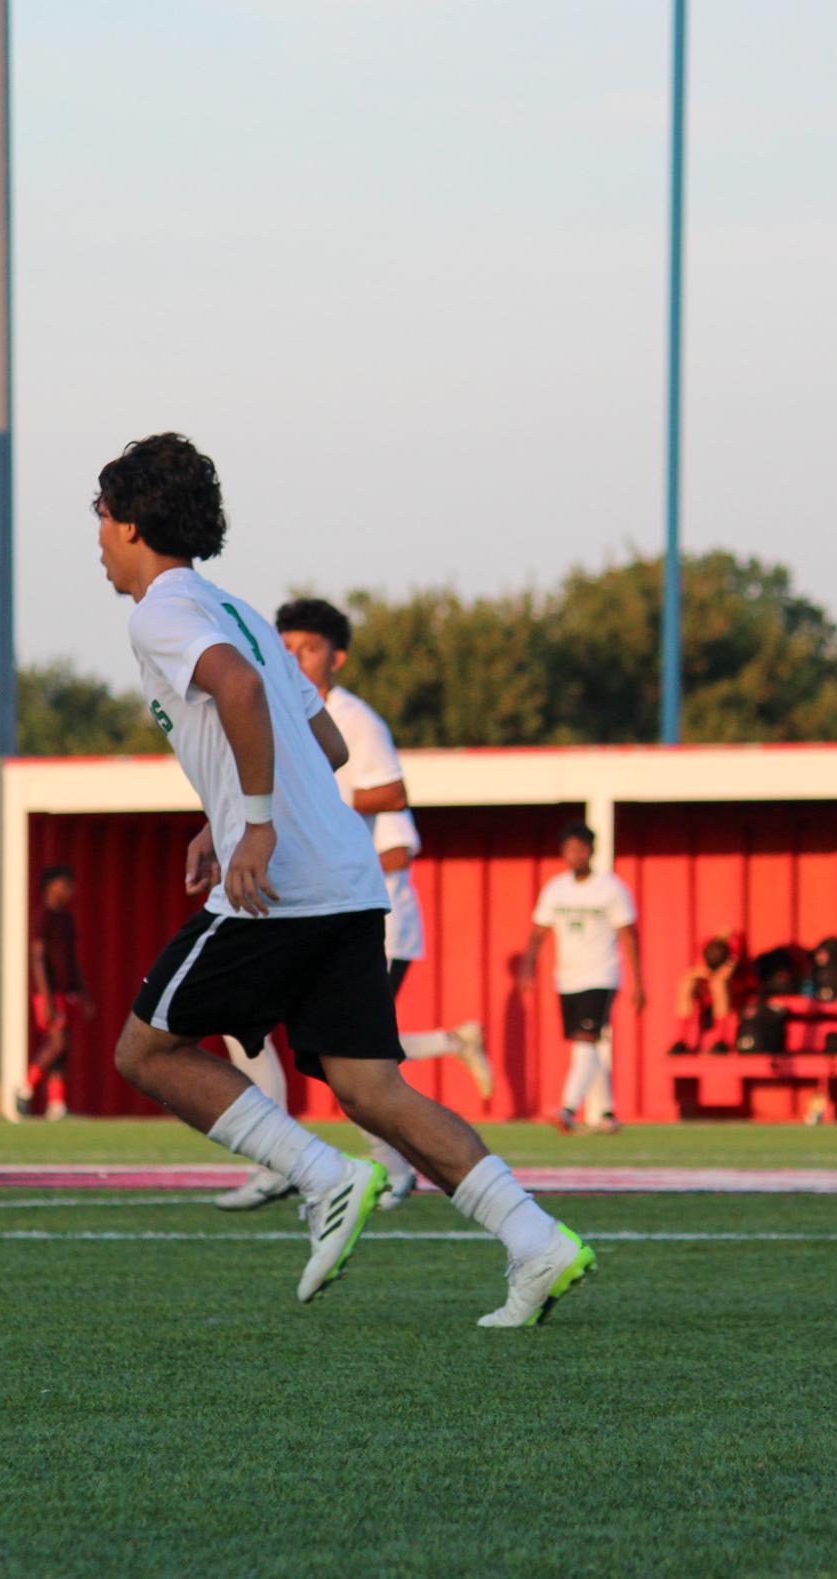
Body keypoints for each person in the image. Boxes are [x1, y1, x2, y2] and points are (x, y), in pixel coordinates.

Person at [96, 432, 594, 1326]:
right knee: (370, 1088)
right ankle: (534, 1239)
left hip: (283, 884)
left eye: (100, 516)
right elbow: (321, 742)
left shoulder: (160, 613)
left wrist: (249, 825)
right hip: (348, 880)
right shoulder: (236, 606)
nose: (95, 534)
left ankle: (324, 1175)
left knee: (145, 1050)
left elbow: (242, 697)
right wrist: (227, 818)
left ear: (131, 523)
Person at [213, 596, 491, 1212]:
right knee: (255, 1032)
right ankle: (287, 1160)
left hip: (352, 916)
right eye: (282, 647)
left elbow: (393, 792)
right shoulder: (278, 714)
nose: (292, 658)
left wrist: (319, 804)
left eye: (306, 648)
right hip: (297, 904)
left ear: (335, 658)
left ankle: (400, 1169)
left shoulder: (350, 718)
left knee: (354, 1064)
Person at [519, 822, 644, 1135]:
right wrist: (528, 966)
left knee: (584, 1041)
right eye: (569, 849)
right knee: (592, 1044)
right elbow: (539, 931)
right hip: (567, 977)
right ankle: (606, 1112)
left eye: (580, 849)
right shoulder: (556, 888)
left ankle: (567, 1108)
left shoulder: (610, 888)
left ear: (590, 851)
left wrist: (639, 982)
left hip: (601, 974)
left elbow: (628, 935)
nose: (574, 855)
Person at [18, 865, 92, 1119]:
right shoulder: (43, 917)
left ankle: (56, 1105)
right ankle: (25, 1088)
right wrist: (46, 997)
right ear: (51, 886)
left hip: (67, 991)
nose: (69, 891)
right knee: (57, 1043)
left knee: (63, 1049)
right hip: (49, 994)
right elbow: (38, 958)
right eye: (64, 885)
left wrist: (84, 994)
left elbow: (72, 959)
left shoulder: (66, 918)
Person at [669, 936, 738, 1055]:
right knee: (687, 984)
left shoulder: (734, 957)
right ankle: (682, 1039)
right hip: (706, 1002)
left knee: (718, 984)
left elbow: (724, 976)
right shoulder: (704, 960)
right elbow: (691, 974)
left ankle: (722, 1040)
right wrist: (706, 973)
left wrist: (724, 971)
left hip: (731, 997)